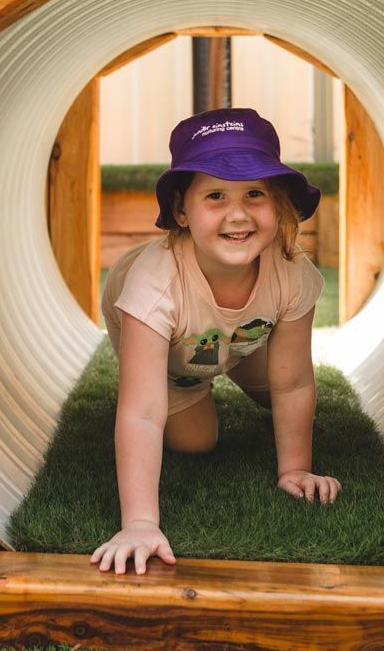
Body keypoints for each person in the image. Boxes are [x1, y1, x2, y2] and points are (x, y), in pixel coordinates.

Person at [91, 107, 344, 576]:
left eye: (254, 193)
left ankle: (229, 364)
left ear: (280, 203)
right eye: (215, 196)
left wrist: (295, 470)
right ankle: (197, 386)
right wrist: (140, 523)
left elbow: (292, 383)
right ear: (182, 211)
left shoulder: (291, 274)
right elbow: (142, 413)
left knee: (277, 397)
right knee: (195, 440)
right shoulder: (152, 287)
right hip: (173, 352)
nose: (238, 214)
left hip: (243, 334)